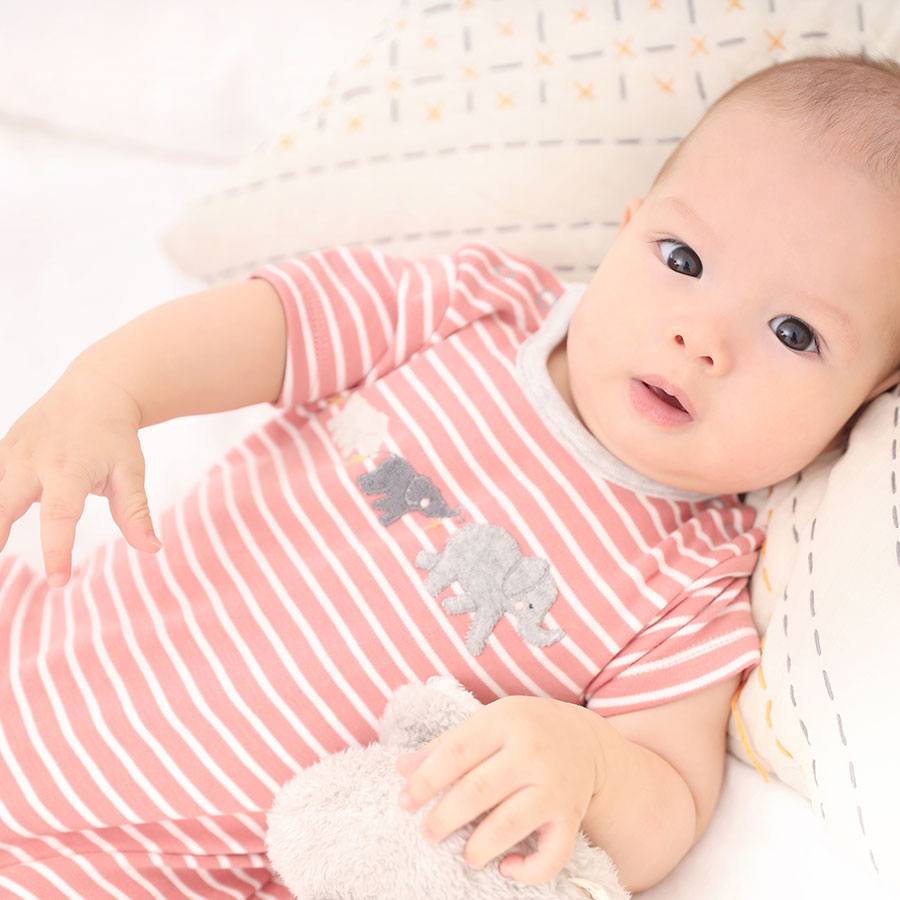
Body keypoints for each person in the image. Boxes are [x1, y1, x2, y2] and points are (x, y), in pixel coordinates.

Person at [2, 51, 899, 898]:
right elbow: (277, 325)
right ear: (626, 234)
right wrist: (112, 386)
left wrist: (589, 766)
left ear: (858, 408)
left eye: (794, 334)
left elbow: (672, 793)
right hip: (33, 642)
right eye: (682, 261)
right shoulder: (473, 310)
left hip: (151, 866)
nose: (703, 339)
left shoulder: (695, 574)